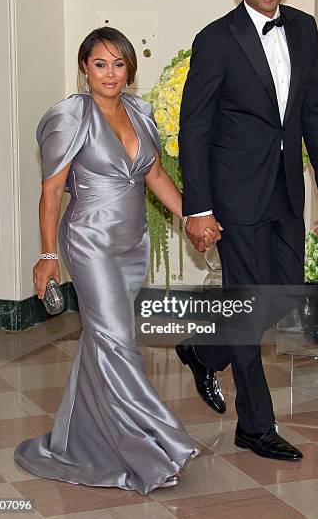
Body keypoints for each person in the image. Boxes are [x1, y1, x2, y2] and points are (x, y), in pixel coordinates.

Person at [14, 27, 214, 494]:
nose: (110, 73)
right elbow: (50, 195)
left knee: (102, 344)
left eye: (118, 64)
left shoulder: (140, 113)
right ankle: (157, 439)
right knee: (117, 341)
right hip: (89, 241)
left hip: (131, 243)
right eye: (100, 63)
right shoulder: (71, 116)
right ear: (84, 67)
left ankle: (80, 440)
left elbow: (156, 176)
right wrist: (47, 255)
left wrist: (194, 218)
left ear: (130, 70)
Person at [177, 0, 318, 461]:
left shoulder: (304, 27)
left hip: (286, 185)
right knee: (247, 306)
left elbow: (313, 106)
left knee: (286, 290)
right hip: (235, 191)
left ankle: (203, 351)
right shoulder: (217, 40)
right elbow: (194, 129)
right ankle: (256, 425)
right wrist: (198, 207)